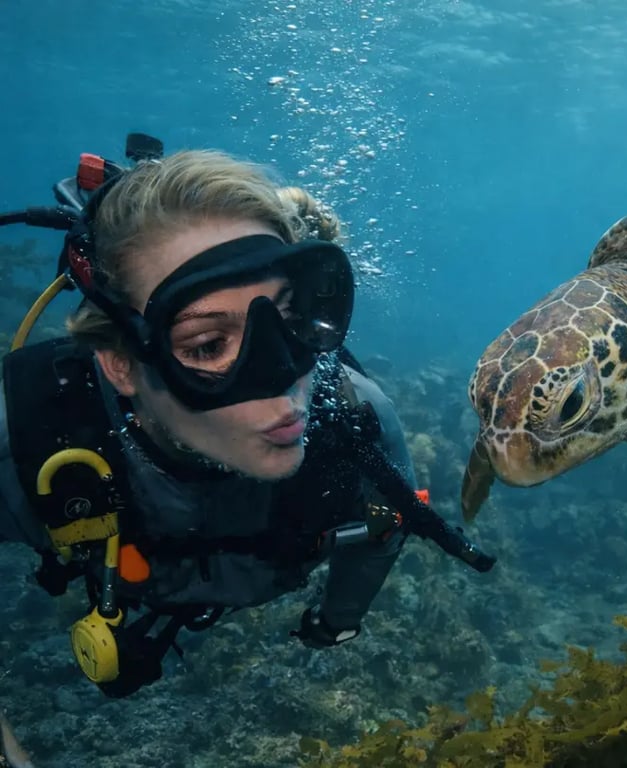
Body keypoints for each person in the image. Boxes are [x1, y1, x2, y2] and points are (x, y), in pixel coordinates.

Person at [0, 134, 493, 698]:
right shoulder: (31, 437)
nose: (285, 375)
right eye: (208, 345)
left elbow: (383, 530)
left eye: (289, 315)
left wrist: (337, 620)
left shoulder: (357, 421)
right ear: (120, 365)